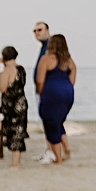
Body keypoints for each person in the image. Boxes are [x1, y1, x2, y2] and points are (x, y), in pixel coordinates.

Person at [36, 33, 77, 164]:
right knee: (58, 122)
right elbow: (72, 81)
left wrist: (42, 94)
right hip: (67, 94)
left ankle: (58, 159)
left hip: (52, 93)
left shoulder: (46, 59)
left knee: (50, 124)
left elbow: (40, 81)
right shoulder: (70, 61)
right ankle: (67, 147)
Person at [0, 44, 30, 168]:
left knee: (14, 132)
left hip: (11, 105)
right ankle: (17, 162)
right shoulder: (21, 69)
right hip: (21, 102)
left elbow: (3, 88)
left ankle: (15, 163)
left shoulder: (7, 70)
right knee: (19, 131)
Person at [30, 21, 55, 163]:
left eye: (39, 30)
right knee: (46, 122)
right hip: (42, 91)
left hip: (46, 91)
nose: (37, 33)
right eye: (34, 31)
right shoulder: (43, 47)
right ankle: (49, 150)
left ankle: (52, 151)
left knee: (49, 122)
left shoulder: (50, 47)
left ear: (47, 30)